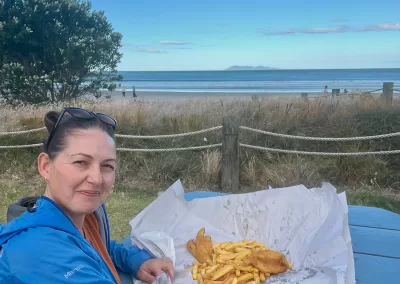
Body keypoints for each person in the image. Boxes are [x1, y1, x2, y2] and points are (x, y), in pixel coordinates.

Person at [0, 107, 174, 283]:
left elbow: (98, 247)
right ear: (46, 166)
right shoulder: (38, 250)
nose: (97, 179)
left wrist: (136, 261)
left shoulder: (82, 218)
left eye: (107, 166)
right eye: (81, 162)